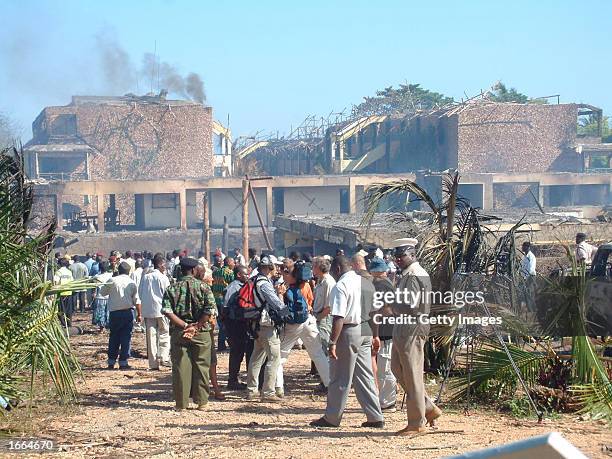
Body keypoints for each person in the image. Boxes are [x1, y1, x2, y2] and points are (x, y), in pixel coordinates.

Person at [310, 255, 384, 428]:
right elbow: (376, 313)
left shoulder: (340, 285)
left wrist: (332, 342)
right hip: (366, 330)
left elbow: (338, 317)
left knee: (339, 377)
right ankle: (375, 416)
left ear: (336, 269)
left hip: (349, 332)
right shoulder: (366, 283)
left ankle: (332, 418)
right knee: (365, 376)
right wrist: (376, 335)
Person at [391, 238, 441, 436]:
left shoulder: (414, 274)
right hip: (405, 325)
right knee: (397, 368)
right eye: (396, 256)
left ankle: (416, 423)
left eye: (401, 255)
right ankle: (428, 408)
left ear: (412, 255)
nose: (398, 259)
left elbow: (410, 305)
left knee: (412, 374)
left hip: (411, 325)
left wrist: (390, 304)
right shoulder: (409, 273)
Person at [162, 257, 216, 411]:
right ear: (194, 270)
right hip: (201, 333)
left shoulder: (172, 288)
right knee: (202, 366)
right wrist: (197, 326)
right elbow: (209, 310)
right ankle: (202, 402)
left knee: (180, 367)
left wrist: (185, 325)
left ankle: (181, 404)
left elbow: (167, 311)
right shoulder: (204, 287)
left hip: (180, 332)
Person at [274, 267, 330, 397]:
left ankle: (278, 387)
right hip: (309, 321)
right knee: (318, 354)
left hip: (293, 325)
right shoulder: (306, 287)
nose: (286, 275)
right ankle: (329, 384)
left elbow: (283, 312)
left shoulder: (289, 291)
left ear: (294, 277)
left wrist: (280, 295)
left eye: (289, 274)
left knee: (279, 357)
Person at [246, 256, 288, 402]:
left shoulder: (255, 279)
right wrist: (286, 313)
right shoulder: (264, 283)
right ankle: (268, 392)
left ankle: (251, 390)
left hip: (257, 324)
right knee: (274, 358)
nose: (277, 269)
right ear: (269, 267)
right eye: (275, 266)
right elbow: (274, 301)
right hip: (266, 326)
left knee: (256, 357)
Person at [369, 257, 398, 412]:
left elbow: (379, 311)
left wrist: (376, 333)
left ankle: (388, 402)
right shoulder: (387, 284)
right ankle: (387, 399)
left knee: (385, 368)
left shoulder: (380, 285)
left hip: (385, 331)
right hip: (388, 329)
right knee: (384, 366)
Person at [100, 262, 141, 370]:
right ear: (129, 271)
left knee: (114, 336)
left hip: (114, 313)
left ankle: (111, 361)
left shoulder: (112, 280)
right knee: (126, 337)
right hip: (128, 312)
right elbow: (137, 300)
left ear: (119, 270)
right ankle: (123, 362)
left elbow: (102, 292)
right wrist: (139, 315)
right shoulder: (132, 283)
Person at [222, 265, 253, 390]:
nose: (248, 277)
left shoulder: (243, 286)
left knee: (242, 352)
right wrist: (227, 327)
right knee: (236, 353)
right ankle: (232, 380)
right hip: (234, 325)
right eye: (246, 274)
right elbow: (224, 308)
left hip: (242, 324)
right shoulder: (232, 288)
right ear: (238, 275)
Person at [139, 254, 171, 370]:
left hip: (148, 310)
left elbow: (140, 293)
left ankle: (153, 363)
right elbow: (168, 295)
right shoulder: (163, 278)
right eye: (164, 264)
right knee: (164, 333)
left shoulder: (146, 277)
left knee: (151, 337)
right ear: (160, 264)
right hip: (162, 309)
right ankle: (163, 357)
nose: (165, 267)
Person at [312, 257, 336, 357]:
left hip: (324, 318)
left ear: (319, 267)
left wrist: (318, 318)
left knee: (323, 347)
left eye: (314, 266)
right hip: (318, 316)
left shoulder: (328, 282)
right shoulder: (320, 280)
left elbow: (329, 307)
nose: (312, 269)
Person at [212, 257, 235, 351]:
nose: (234, 264)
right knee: (225, 323)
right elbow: (233, 285)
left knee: (221, 322)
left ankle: (222, 343)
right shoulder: (229, 273)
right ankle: (222, 344)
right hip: (224, 300)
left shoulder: (216, 272)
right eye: (233, 262)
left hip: (216, 300)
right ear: (229, 263)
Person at [92, 261, 113, 333]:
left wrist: (94, 293)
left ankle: (101, 328)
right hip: (109, 297)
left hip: (100, 297)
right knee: (108, 312)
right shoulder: (110, 275)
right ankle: (109, 326)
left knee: (101, 313)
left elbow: (94, 287)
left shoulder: (97, 277)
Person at [53, 258, 74, 326]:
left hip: (61, 293)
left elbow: (55, 282)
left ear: (59, 264)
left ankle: (63, 323)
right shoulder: (69, 272)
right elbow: (72, 281)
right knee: (68, 310)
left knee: (61, 309)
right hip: (68, 292)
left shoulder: (58, 272)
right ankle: (69, 323)